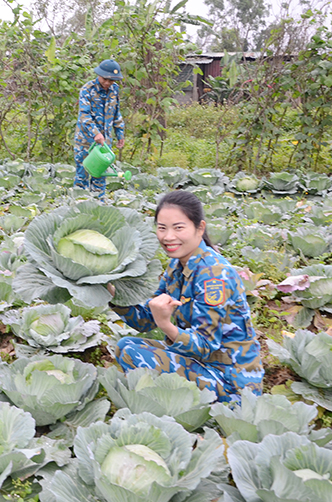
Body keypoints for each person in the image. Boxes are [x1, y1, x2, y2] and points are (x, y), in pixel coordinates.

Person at [109, 190, 264, 403]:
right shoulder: (177, 266)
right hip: (200, 362)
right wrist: (114, 295)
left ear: (200, 228)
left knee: (132, 354)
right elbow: (145, 320)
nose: (168, 237)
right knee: (126, 345)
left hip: (229, 379)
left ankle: (177, 406)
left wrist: (166, 325)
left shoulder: (214, 276)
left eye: (178, 228)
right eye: (162, 228)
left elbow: (205, 346)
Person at [74, 59, 126, 199]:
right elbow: (84, 115)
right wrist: (95, 133)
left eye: (111, 80)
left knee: (100, 176)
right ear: (98, 74)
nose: (108, 83)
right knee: (82, 175)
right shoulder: (87, 90)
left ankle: (98, 206)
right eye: (105, 79)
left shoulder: (114, 90)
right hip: (86, 141)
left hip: (104, 144)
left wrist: (120, 133)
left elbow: (116, 113)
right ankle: (79, 206)